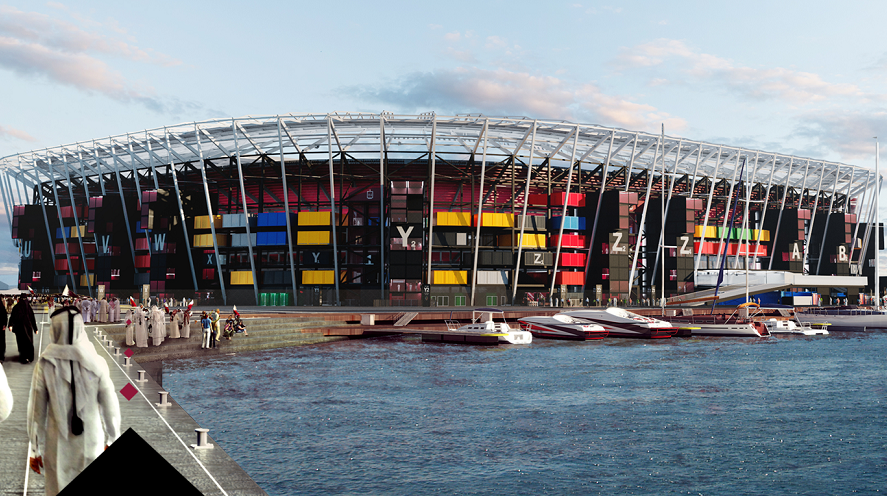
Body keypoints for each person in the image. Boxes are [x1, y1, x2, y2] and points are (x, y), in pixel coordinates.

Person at [27, 306, 121, 496]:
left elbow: (36, 411)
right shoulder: (98, 362)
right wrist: (112, 437)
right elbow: (110, 404)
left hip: (58, 446)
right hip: (92, 440)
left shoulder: (44, 365)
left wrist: (35, 448)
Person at [9, 296, 38, 364]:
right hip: (24, 328)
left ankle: (26, 357)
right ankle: (26, 357)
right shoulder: (26, 308)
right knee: (25, 343)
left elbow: (32, 318)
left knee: (23, 343)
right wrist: (35, 329)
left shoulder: (18, 308)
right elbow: (12, 317)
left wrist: (35, 328)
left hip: (23, 329)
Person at [0, 296, 8, 362]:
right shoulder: (2, 308)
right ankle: (1, 356)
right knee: (1, 342)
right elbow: (5, 316)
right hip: (1, 328)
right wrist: (5, 325)